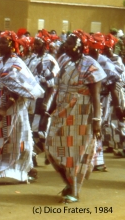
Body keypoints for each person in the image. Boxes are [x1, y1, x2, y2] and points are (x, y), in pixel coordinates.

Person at [45, 30, 106, 204]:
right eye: (66, 43)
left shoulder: (90, 64)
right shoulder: (65, 61)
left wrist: (96, 121)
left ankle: (75, 191)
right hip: (62, 112)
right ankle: (69, 182)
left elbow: (95, 95)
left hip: (82, 114)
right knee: (51, 147)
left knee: (76, 154)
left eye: (70, 43)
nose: (66, 46)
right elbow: (59, 90)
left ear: (79, 46)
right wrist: (50, 111)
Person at [0, 31, 44, 184]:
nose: (0, 45)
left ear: (11, 45)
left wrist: (5, 107)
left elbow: (19, 88)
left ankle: (22, 170)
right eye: (0, 42)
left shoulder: (17, 64)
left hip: (12, 108)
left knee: (18, 140)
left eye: (4, 42)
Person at [24, 29, 59, 167]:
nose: (35, 46)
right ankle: (34, 156)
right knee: (32, 130)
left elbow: (51, 85)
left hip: (42, 99)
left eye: (38, 44)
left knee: (41, 131)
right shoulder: (32, 58)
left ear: (45, 45)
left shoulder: (49, 61)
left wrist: (46, 103)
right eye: (35, 43)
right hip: (31, 99)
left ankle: (48, 152)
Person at [88, 33, 122, 171]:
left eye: (94, 48)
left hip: (103, 98)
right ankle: (94, 160)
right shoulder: (86, 60)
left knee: (97, 127)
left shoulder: (104, 62)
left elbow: (113, 87)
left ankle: (98, 161)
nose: (91, 50)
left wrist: (118, 105)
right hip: (87, 98)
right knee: (90, 128)